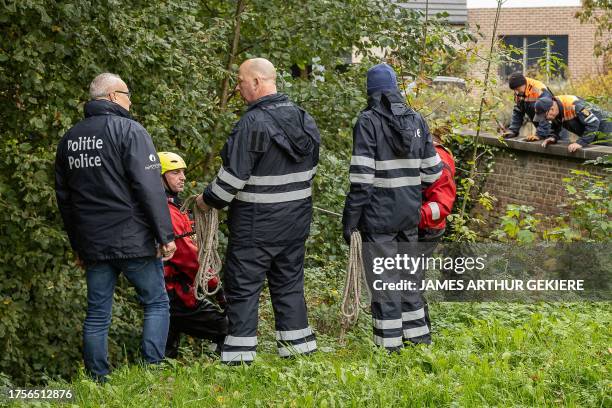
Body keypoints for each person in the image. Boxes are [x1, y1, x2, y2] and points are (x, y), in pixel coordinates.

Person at [195, 58, 320, 364]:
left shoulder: (251, 124)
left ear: (257, 82)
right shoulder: (304, 119)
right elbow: (311, 171)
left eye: (240, 81)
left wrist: (206, 201)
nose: (237, 88)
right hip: (295, 225)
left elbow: (231, 180)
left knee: (243, 290)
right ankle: (298, 356)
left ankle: (237, 360)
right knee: (289, 287)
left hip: (255, 228)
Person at [55, 73, 176, 381]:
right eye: (126, 93)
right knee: (157, 302)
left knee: (97, 314)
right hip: (132, 238)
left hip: (93, 243)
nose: (130, 100)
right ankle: (152, 373)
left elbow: (65, 199)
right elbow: (149, 187)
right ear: (111, 96)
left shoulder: (70, 139)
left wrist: (78, 245)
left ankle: (98, 380)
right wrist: (165, 235)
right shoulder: (129, 130)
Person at [342, 63, 444, 352]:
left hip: (378, 220)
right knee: (409, 279)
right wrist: (410, 192)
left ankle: (389, 350)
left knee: (385, 284)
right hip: (409, 217)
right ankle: (419, 342)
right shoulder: (417, 120)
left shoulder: (367, 121)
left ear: (370, 92)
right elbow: (434, 172)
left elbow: (361, 180)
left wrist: (350, 221)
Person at [158, 151, 228, 358]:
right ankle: (223, 372)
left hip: (167, 293)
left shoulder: (168, 208)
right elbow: (189, 257)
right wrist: (216, 288)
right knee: (228, 328)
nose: (183, 177)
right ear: (159, 177)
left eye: (183, 172)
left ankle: (157, 382)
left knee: (166, 348)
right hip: (178, 296)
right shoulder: (168, 212)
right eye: (175, 172)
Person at [537, 95, 611, 152]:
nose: (545, 119)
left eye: (545, 116)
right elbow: (557, 124)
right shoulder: (555, 106)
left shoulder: (575, 106)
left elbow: (593, 122)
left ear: (552, 109)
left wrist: (581, 142)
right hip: (595, 133)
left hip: (607, 130)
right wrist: (552, 136)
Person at [504, 72, 554, 141]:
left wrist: (540, 134)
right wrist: (513, 130)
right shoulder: (519, 92)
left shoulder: (538, 89)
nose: (516, 92)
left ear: (524, 84)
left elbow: (547, 111)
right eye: (514, 90)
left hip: (556, 128)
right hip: (542, 128)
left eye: (518, 89)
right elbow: (518, 111)